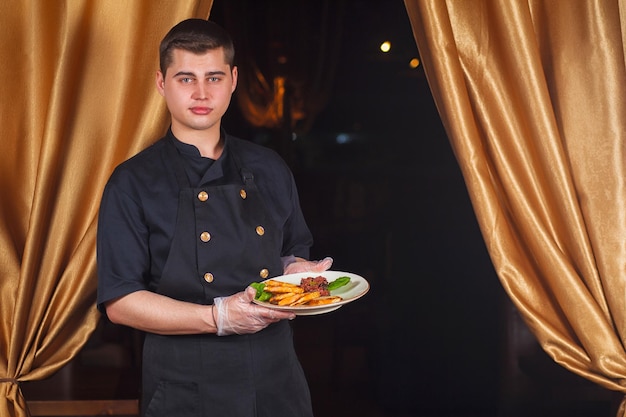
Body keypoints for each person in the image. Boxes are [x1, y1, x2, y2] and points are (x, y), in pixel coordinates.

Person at [96, 18, 333, 417]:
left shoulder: (270, 167)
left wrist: (299, 270)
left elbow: (287, 253)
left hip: (275, 377)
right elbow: (120, 300)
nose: (202, 93)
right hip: (186, 385)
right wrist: (218, 317)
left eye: (214, 77)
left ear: (234, 79)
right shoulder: (132, 181)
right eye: (186, 78)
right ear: (162, 83)